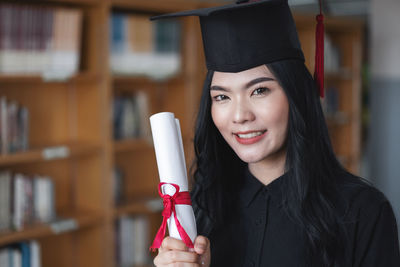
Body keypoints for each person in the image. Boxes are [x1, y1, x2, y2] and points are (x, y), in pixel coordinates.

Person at [151, 0, 400, 266]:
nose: (240, 115)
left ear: (296, 96)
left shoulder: (363, 211)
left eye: (259, 90)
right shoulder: (203, 208)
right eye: (222, 96)